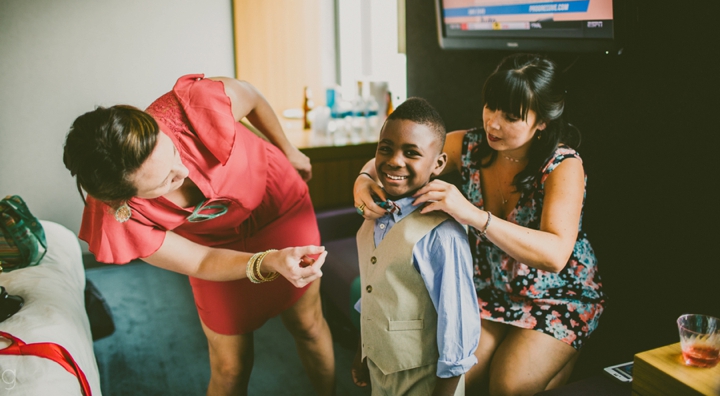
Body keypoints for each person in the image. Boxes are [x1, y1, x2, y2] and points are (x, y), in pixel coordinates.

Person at [63, 74, 335, 396]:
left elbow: (253, 98)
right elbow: (203, 261)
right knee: (230, 366)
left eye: (173, 154)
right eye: (166, 181)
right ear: (124, 198)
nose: (184, 172)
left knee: (307, 324)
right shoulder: (118, 216)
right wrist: (269, 261)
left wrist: (287, 149)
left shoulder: (198, 102)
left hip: (277, 203)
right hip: (211, 245)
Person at [354, 54, 606, 395]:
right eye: (491, 107)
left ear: (542, 121)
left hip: (556, 297)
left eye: (511, 116)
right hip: (489, 289)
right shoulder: (471, 145)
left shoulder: (563, 165)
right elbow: (399, 151)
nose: (494, 124)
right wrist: (363, 178)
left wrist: (470, 213)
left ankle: (565, 365)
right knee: (457, 381)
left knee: (509, 384)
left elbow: (556, 254)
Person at [351, 97, 480, 396]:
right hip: (380, 367)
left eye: (411, 153)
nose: (395, 160)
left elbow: (457, 324)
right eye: (386, 148)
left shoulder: (443, 235)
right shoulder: (373, 213)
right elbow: (372, 290)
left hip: (425, 380)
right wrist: (362, 350)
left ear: (438, 164)